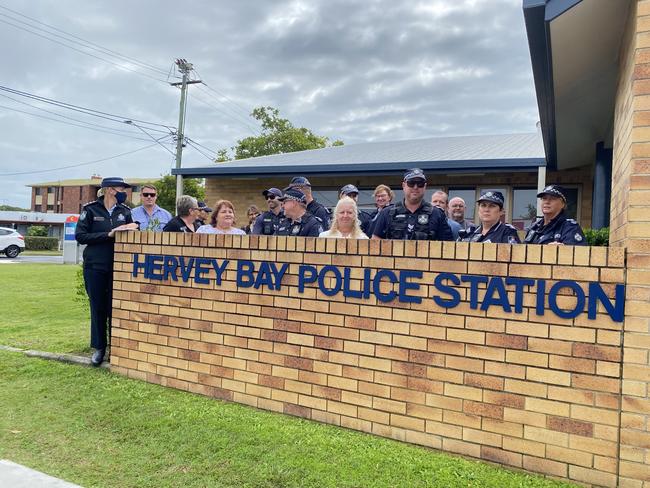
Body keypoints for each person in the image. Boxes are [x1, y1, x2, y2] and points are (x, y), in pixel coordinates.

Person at [75, 177, 138, 366]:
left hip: (117, 267)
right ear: (110, 190)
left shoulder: (124, 211)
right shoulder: (90, 210)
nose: (124, 192)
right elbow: (81, 236)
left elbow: (132, 230)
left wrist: (133, 227)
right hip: (95, 267)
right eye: (121, 188)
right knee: (98, 307)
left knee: (115, 307)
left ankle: (116, 347)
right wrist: (108, 234)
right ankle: (99, 347)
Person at [372, 169, 453, 241]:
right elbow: (375, 241)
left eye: (420, 183)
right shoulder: (387, 213)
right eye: (411, 183)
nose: (415, 187)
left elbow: (448, 247)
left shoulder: (437, 214)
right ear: (404, 185)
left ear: (424, 186)